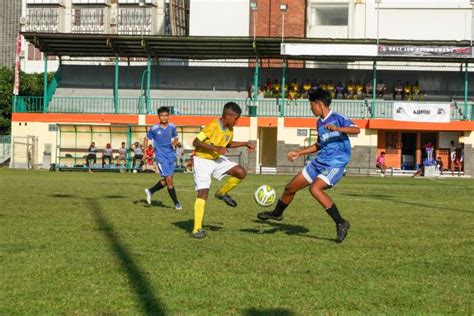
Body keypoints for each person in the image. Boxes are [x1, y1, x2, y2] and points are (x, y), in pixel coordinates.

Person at [257, 88, 360, 243]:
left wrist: (338, 128)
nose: (310, 108)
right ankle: (277, 214)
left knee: (315, 189)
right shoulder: (319, 122)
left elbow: (356, 129)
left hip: (335, 165)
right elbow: (319, 145)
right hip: (319, 162)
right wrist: (299, 153)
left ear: (319, 104)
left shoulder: (338, 118)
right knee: (290, 188)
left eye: (311, 105)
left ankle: (341, 222)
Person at [191, 102, 255, 238]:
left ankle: (221, 193)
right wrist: (216, 148)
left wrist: (244, 143)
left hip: (216, 159)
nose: (237, 121)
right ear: (227, 116)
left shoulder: (230, 129)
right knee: (203, 192)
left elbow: (227, 143)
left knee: (240, 172)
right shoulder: (212, 126)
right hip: (202, 160)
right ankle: (196, 229)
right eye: (236, 118)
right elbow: (195, 142)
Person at [144, 106, 182, 210]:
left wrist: (174, 143)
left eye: (166, 115)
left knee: (167, 180)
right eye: (162, 115)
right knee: (169, 180)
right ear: (158, 116)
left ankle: (150, 191)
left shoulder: (172, 127)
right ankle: (177, 204)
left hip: (170, 156)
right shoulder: (154, 128)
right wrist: (144, 153)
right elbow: (146, 139)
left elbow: (176, 137)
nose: (164, 117)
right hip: (161, 157)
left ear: (168, 116)